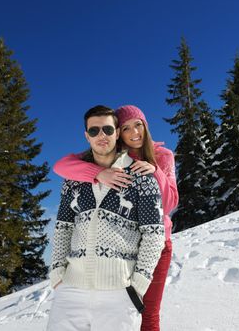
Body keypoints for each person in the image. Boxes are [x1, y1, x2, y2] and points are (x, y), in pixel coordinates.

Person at [53, 105, 178, 331]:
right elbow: (62, 166)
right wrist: (97, 173)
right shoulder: (116, 157)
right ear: (121, 132)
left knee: (148, 313)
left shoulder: (163, 156)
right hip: (116, 252)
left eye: (138, 125)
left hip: (158, 242)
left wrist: (154, 171)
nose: (134, 133)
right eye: (127, 127)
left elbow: (169, 204)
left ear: (146, 127)